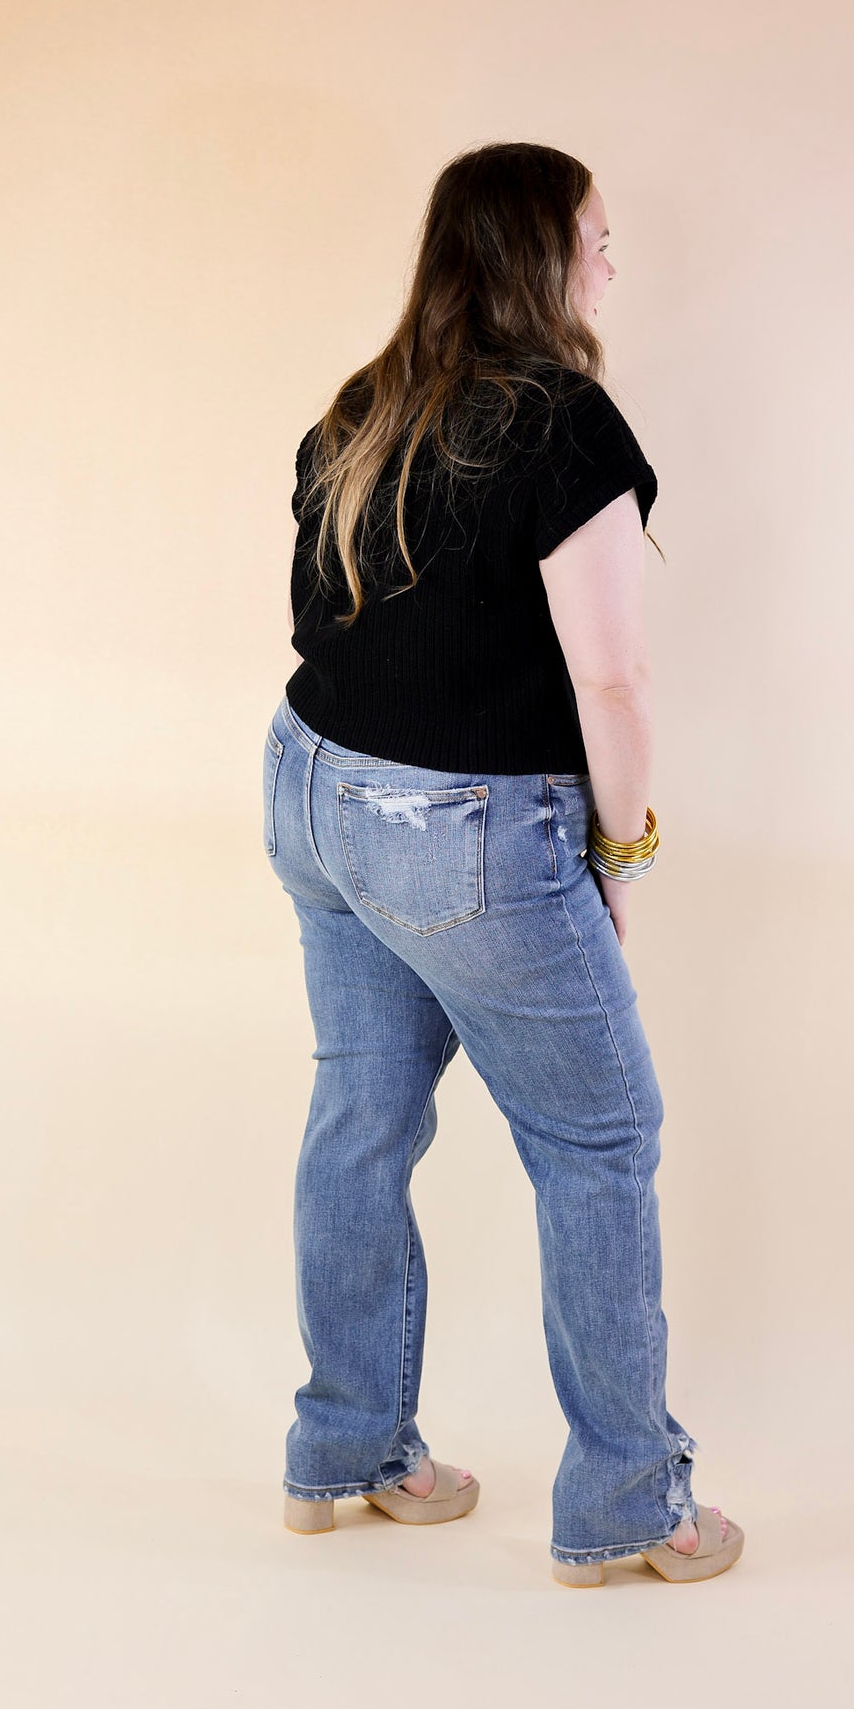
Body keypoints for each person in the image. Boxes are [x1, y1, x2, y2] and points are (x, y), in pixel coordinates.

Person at [261, 141, 744, 1586]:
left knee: (361, 1118)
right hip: (456, 833)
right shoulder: (561, 426)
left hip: (310, 789)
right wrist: (620, 853)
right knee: (600, 1140)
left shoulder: (362, 407)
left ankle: (346, 1449)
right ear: (538, 255)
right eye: (594, 235)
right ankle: (631, 1504)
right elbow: (614, 683)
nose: (612, 259)